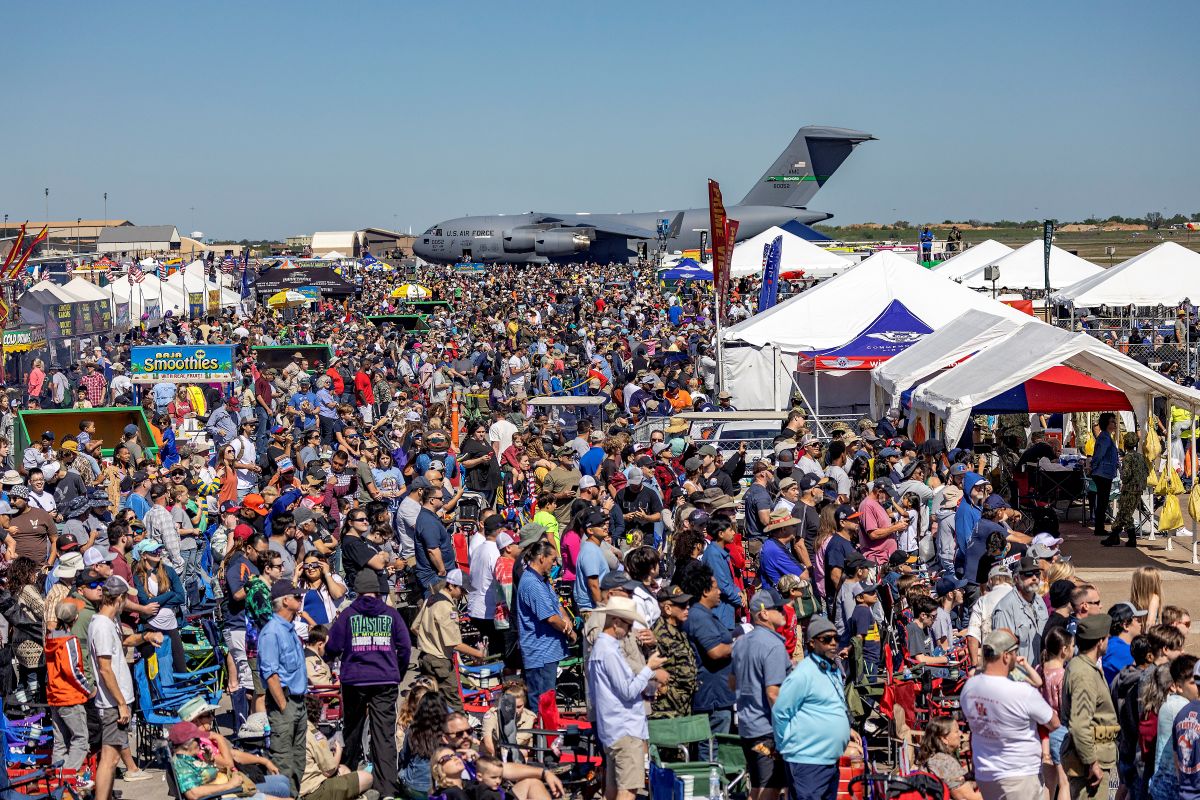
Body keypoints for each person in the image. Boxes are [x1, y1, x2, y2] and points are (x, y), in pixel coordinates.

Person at [325, 570, 410, 800]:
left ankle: (349, 779)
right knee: (384, 735)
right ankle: (388, 790)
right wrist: (397, 673)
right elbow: (405, 647)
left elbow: (332, 646)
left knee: (352, 730)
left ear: (357, 590)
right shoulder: (391, 614)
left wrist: (331, 660)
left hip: (355, 679)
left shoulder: (348, 614)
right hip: (385, 679)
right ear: (378, 591)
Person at [959, 629, 1058, 800]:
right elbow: (1054, 722)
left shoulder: (969, 687)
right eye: (1014, 653)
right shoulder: (1021, 692)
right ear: (1006, 656)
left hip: (986, 774)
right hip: (1020, 775)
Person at [584, 596, 668, 800]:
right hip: (625, 729)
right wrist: (649, 669)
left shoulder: (601, 650)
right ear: (616, 622)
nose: (630, 631)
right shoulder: (609, 651)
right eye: (629, 625)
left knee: (613, 789)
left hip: (613, 728)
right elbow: (628, 691)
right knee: (628, 790)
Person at [91, 576, 164, 800]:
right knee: (110, 759)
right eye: (126, 597)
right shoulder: (102, 625)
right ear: (120, 598)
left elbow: (124, 641)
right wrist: (121, 703)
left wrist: (146, 636)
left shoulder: (108, 622)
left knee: (110, 758)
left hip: (117, 700)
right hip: (113, 703)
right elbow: (105, 669)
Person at [772, 617, 855, 800]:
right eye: (826, 639)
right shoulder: (803, 674)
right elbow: (780, 712)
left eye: (836, 638)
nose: (833, 643)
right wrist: (784, 747)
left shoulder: (830, 670)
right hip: (807, 761)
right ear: (812, 643)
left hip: (828, 760)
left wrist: (845, 729)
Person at [732, 589, 791, 800]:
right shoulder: (773, 645)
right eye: (779, 609)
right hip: (767, 731)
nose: (784, 613)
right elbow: (773, 694)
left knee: (756, 786)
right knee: (770, 788)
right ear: (764, 613)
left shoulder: (740, 643)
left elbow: (732, 683)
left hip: (747, 727)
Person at [258, 579, 308, 797]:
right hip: (285, 705)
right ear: (285, 601)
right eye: (297, 596)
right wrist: (283, 705)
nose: (300, 599)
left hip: (299, 702)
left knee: (299, 760)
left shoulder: (289, 630)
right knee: (283, 762)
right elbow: (270, 675)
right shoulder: (272, 632)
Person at [1061, 614, 1118, 800]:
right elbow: (1079, 725)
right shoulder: (1084, 674)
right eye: (1107, 638)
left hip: (1092, 755)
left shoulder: (1081, 666)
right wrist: (1091, 762)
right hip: (1090, 762)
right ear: (1100, 642)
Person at [412, 569, 487, 711]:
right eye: (462, 590)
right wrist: (479, 654)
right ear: (451, 586)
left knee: (431, 704)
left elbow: (415, 627)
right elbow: (454, 643)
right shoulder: (447, 607)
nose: (463, 594)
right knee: (454, 703)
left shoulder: (431, 599)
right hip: (439, 661)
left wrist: (430, 640)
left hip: (425, 658)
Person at [515, 540, 575, 711]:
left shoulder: (542, 580)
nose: (555, 564)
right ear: (541, 558)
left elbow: (556, 605)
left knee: (547, 702)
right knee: (542, 705)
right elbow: (550, 618)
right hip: (540, 654)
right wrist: (569, 633)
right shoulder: (532, 583)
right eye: (553, 559)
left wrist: (566, 619)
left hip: (547, 652)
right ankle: (542, 738)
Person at [1092, 412, 1120, 542]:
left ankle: (1099, 526)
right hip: (1102, 472)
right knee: (1102, 501)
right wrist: (1094, 466)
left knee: (1103, 501)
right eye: (1112, 422)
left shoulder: (1107, 436)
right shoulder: (1104, 437)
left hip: (1105, 472)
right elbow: (1099, 454)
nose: (1115, 424)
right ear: (1106, 424)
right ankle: (1099, 528)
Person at [1104, 601, 1147, 685]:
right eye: (1137, 620)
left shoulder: (1112, 644)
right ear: (1126, 625)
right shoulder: (1119, 650)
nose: (1141, 624)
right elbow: (1146, 675)